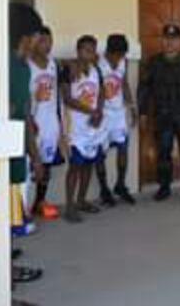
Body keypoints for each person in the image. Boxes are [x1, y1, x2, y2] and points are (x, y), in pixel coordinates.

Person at [137, 24, 180, 206]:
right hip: (163, 116)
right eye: (167, 39)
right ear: (163, 41)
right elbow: (144, 88)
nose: (170, 43)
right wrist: (142, 112)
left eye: (174, 39)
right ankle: (164, 186)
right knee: (163, 153)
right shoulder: (154, 63)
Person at [8, 3, 44, 287]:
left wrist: (36, 157)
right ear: (26, 37)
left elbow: (25, 114)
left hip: (17, 154)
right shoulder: (3, 66)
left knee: (10, 216)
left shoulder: (23, 68)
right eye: (37, 37)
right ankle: (4, 274)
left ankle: (5, 259)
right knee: (2, 216)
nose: (39, 42)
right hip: (1, 158)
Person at [62, 35, 107, 222]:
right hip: (76, 127)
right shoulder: (69, 69)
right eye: (86, 50)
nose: (90, 54)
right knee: (75, 166)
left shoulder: (96, 70)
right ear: (78, 51)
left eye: (93, 50)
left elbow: (102, 92)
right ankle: (69, 206)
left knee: (89, 163)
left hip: (93, 126)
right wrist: (91, 111)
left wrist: (99, 111)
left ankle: (81, 200)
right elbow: (67, 98)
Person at [95, 34, 138, 206]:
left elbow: (124, 84)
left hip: (118, 112)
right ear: (109, 52)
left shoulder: (123, 62)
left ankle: (120, 184)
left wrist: (132, 107)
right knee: (100, 153)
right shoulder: (98, 64)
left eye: (122, 55)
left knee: (123, 147)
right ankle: (104, 189)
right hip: (103, 113)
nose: (120, 58)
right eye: (117, 55)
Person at [28, 26, 65, 220]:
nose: (48, 45)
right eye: (43, 41)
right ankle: (22, 206)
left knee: (46, 164)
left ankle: (39, 202)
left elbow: (58, 95)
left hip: (50, 123)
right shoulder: (26, 65)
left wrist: (60, 122)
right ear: (34, 42)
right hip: (32, 122)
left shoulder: (53, 65)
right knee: (29, 163)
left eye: (50, 41)